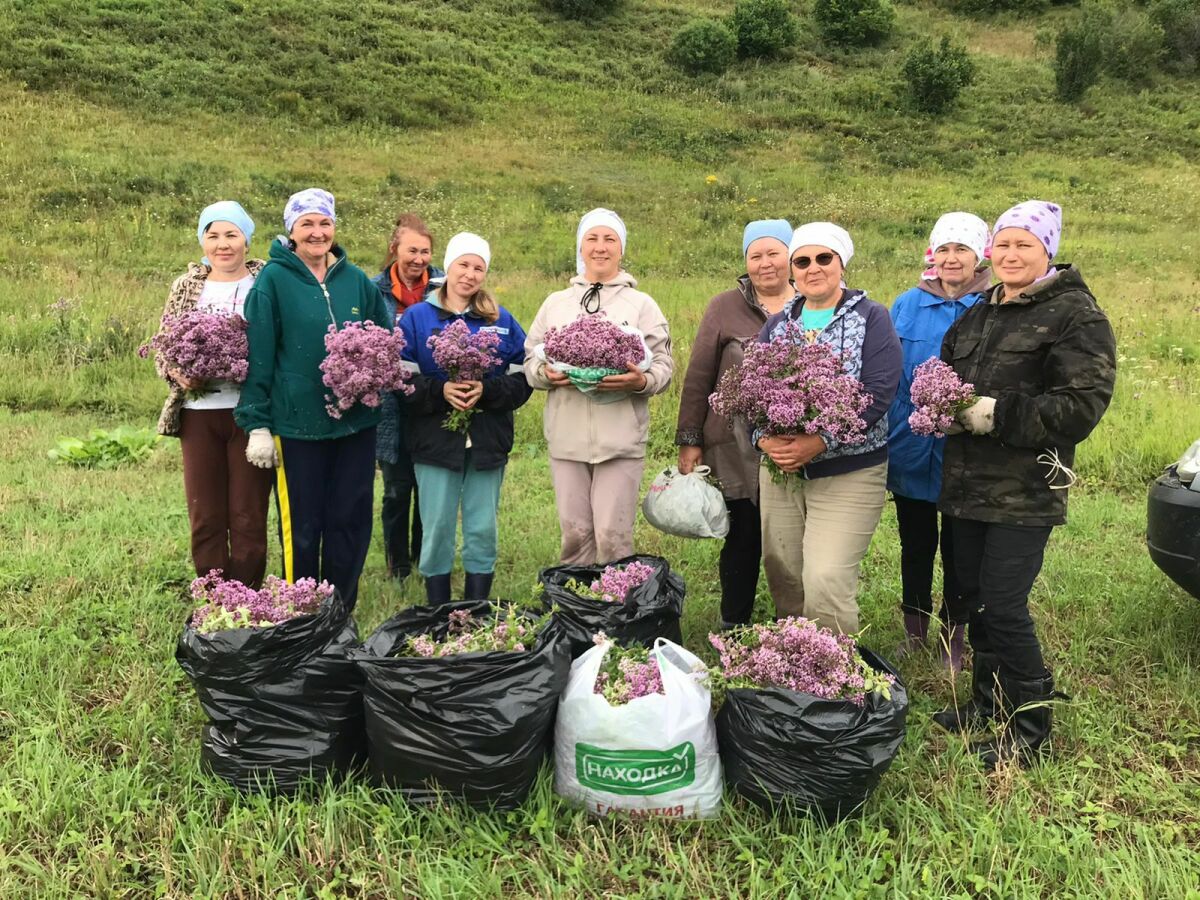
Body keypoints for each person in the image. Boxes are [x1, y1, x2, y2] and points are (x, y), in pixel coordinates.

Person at [934, 200, 1116, 768]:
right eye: (1004, 244)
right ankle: (987, 705)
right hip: (965, 485)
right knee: (973, 599)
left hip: (1024, 491)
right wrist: (937, 402)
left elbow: (1082, 406)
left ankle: (1031, 729)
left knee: (1006, 606)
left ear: (1048, 251)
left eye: (1024, 245)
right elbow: (945, 372)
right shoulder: (979, 312)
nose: (1011, 255)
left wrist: (997, 413)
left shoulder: (1074, 316)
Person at [235, 188, 394, 611]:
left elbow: (385, 340)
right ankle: (299, 614)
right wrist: (258, 424)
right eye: (307, 224)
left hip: (355, 424)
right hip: (297, 426)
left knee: (350, 520)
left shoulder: (356, 280)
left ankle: (339, 612)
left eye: (324, 223)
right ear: (291, 230)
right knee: (303, 528)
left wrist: (379, 377)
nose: (317, 232)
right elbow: (260, 355)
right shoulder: (273, 280)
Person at [755, 222, 901, 634]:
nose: (813, 268)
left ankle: (839, 682)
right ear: (792, 270)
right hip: (781, 471)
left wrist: (820, 441)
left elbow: (877, 392)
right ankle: (797, 668)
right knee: (784, 572)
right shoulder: (779, 324)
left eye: (824, 258)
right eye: (802, 261)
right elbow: (750, 394)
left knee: (826, 578)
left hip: (849, 470)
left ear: (841, 263)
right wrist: (763, 439)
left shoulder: (872, 318)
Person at [524, 208, 674, 565]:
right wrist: (547, 374)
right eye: (592, 238)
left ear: (621, 249)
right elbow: (530, 361)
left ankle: (615, 613)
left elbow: (664, 366)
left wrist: (642, 381)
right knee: (574, 537)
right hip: (566, 440)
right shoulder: (555, 303)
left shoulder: (641, 304)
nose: (600, 247)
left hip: (620, 442)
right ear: (580, 247)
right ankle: (578, 613)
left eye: (610, 239)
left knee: (613, 538)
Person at [397, 232, 531, 605]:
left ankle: (476, 606)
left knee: (482, 526)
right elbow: (401, 381)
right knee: (437, 526)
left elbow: (523, 380)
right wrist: (441, 392)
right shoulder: (417, 317)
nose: (470, 275)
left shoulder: (500, 320)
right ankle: (438, 610)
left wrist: (486, 392)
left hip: (487, 441)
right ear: (448, 266)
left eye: (478, 268)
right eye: (463, 265)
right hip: (435, 440)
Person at [675, 219, 794, 629]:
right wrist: (690, 439)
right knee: (742, 537)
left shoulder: (812, 303)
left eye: (774, 253)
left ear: (791, 257)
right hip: (734, 444)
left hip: (794, 446)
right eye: (755, 255)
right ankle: (735, 624)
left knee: (788, 541)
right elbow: (698, 376)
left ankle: (792, 628)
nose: (766, 263)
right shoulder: (723, 307)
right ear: (746, 261)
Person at [887, 212, 991, 671]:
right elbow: (887, 372)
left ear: (979, 256)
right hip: (909, 447)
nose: (951, 259)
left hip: (964, 452)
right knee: (915, 543)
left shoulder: (992, 305)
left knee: (960, 549)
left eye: (962, 250)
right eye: (944, 249)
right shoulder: (906, 305)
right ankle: (914, 633)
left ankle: (955, 638)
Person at [155, 201, 274, 586]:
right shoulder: (187, 287)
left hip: (250, 413)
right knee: (205, 512)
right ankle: (212, 596)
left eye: (231, 235)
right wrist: (177, 373)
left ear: (247, 240)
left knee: (248, 512)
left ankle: (247, 596)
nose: (223, 244)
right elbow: (163, 345)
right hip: (199, 414)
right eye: (213, 235)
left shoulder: (265, 282)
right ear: (202, 241)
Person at [374, 213, 444, 580]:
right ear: (394, 250)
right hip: (391, 406)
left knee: (429, 486)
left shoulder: (446, 289)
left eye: (425, 251)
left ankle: (424, 557)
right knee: (397, 488)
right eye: (411, 250)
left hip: (433, 402)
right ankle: (398, 564)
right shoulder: (374, 290)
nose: (419, 259)